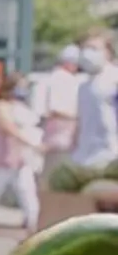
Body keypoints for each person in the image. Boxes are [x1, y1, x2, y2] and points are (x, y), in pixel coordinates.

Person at [0, 72, 43, 236]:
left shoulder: (20, 107)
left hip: (18, 157)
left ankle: (33, 222)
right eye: (20, 87)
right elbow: (7, 127)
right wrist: (30, 142)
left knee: (27, 189)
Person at [31, 44, 82, 180]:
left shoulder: (50, 78)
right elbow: (55, 109)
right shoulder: (62, 79)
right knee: (55, 174)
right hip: (59, 135)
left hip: (55, 134)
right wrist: (77, 118)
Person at [72, 28, 118, 168]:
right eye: (85, 49)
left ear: (107, 52)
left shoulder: (114, 79)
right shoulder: (84, 86)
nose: (87, 53)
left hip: (111, 155)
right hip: (85, 157)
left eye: (94, 48)